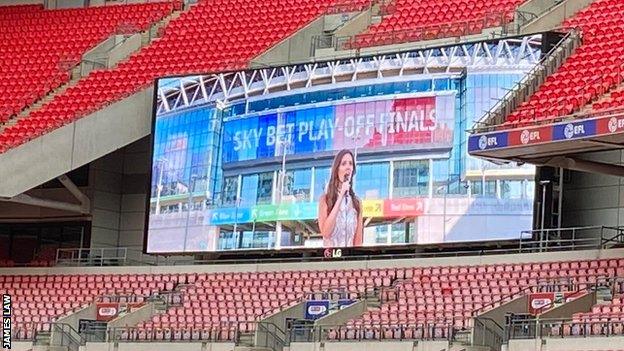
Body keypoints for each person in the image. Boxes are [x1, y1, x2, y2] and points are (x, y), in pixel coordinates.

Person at [318, 149, 363, 247]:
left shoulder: (357, 203)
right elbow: (325, 232)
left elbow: (358, 240)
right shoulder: (325, 199)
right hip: (331, 259)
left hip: (350, 258)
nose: (348, 167)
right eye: (344, 164)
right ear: (337, 169)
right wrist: (341, 196)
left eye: (350, 164)